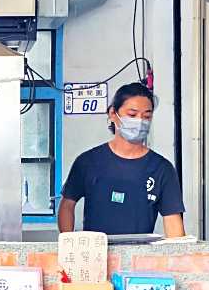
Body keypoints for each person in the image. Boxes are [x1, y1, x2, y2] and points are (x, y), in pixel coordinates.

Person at [57, 82, 185, 237]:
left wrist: (177, 255)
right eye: (132, 115)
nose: (139, 121)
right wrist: (71, 243)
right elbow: (67, 205)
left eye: (146, 116)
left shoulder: (161, 168)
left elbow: (172, 221)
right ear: (113, 114)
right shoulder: (88, 162)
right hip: (97, 256)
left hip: (139, 256)